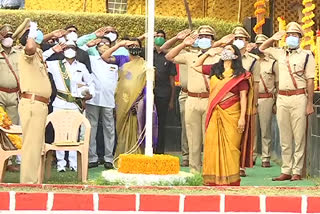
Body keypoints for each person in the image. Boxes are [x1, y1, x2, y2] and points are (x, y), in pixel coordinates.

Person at [259, 22, 315, 181]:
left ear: (300, 38)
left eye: (294, 35)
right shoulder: (280, 53)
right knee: (285, 136)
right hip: (282, 97)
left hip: (299, 97)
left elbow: (310, 80)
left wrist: (310, 103)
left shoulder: (306, 55)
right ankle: (286, 169)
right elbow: (261, 49)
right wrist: (273, 38)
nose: (291, 37)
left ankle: (297, 170)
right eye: (289, 34)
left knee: (298, 136)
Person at [193, 45, 251, 186]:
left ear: (236, 56)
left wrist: (242, 117)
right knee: (212, 145)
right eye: (224, 49)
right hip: (215, 113)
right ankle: (212, 180)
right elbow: (195, 65)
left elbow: (244, 97)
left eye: (229, 50)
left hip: (233, 114)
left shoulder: (241, 74)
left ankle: (231, 180)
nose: (226, 51)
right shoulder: (215, 69)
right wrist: (208, 54)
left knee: (232, 148)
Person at [165, 26, 220, 173]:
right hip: (191, 99)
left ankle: (209, 170)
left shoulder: (218, 56)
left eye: (207, 37)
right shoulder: (190, 56)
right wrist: (184, 43)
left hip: (210, 99)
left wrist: (216, 48)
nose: (204, 39)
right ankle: (194, 170)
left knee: (209, 137)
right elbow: (169, 56)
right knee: (193, 138)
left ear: (212, 40)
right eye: (201, 36)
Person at [44, 40, 95, 172]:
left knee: (74, 133)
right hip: (60, 102)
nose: (69, 50)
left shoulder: (82, 66)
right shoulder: (55, 65)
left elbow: (91, 83)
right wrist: (53, 50)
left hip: (75, 104)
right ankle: (61, 163)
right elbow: (40, 59)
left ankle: (73, 163)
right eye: (67, 48)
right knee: (59, 132)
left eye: (72, 48)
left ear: (76, 51)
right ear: (63, 50)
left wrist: (89, 94)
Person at [16, 20, 52, 183]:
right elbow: (30, 46)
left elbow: (37, 47)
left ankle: (32, 181)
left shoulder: (38, 55)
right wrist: (32, 29)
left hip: (40, 105)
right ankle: (28, 182)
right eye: (35, 35)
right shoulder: (26, 54)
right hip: (32, 104)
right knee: (31, 146)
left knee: (36, 145)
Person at [113, 38, 157, 161]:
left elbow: (149, 86)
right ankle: (122, 157)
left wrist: (140, 102)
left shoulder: (146, 65)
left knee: (137, 129)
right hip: (122, 103)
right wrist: (120, 44)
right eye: (131, 45)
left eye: (136, 45)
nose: (134, 47)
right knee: (122, 131)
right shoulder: (122, 59)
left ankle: (137, 158)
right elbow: (105, 57)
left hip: (138, 104)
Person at [232, 27, 260, 177]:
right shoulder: (227, 57)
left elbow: (256, 83)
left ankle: (241, 165)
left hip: (247, 100)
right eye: (235, 38)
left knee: (245, 132)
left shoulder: (254, 60)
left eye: (241, 38)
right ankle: (230, 163)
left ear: (247, 41)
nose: (238, 41)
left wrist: (254, 103)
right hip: (229, 99)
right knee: (230, 132)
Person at [252, 34, 279, 167]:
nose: (259, 48)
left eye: (262, 44)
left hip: (267, 98)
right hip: (252, 98)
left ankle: (266, 157)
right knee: (252, 129)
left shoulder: (273, 63)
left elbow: (278, 83)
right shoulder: (251, 61)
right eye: (258, 45)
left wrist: (276, 102)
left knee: (265, 129)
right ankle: (251, 156)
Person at [0, 24, 21, 172]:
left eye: (10, 36)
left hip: (14, 94)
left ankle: (8, 161)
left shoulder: (18, 54)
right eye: (5, 35)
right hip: (0, 93)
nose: (8, 38)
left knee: (11, 128)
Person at [153, 30, 177, 154]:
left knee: (161, 123)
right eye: (157, 36)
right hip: (149, 93)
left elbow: (172, 81)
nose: (159, 39)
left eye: (162, 37)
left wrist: (172, 100)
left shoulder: (168, 56)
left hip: (164, 94)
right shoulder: (148, 53)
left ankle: (160, 150)